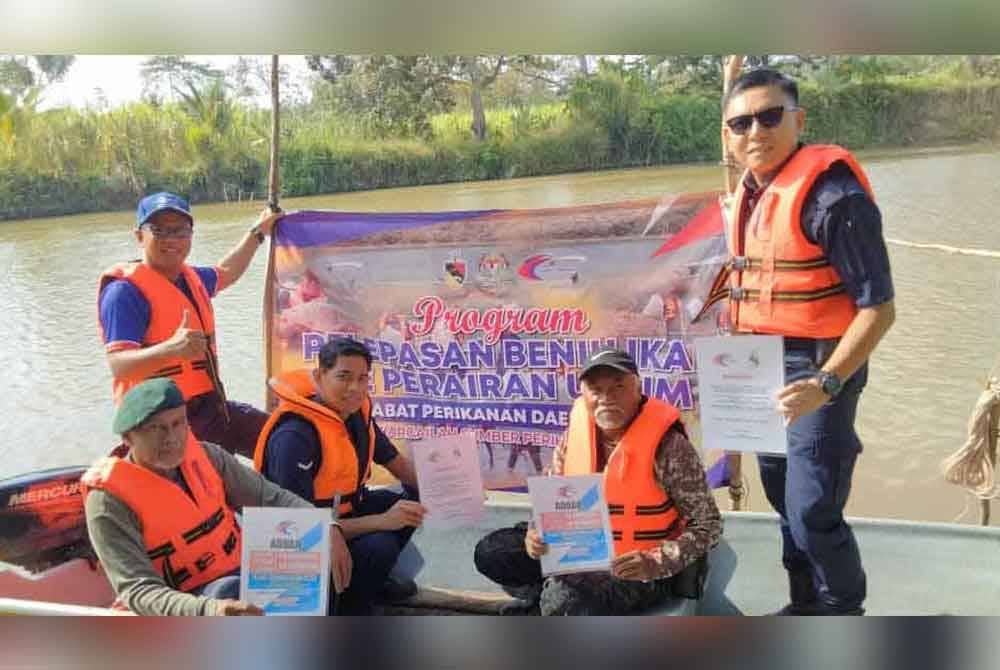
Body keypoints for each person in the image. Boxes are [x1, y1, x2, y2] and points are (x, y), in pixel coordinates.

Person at [718, 68, 896, 615]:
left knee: (811, 508)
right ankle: (804, 607)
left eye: (771, 116)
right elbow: (731, 149)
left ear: (800, 120)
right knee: (780, 498)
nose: (756, 131)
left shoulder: (834, 198)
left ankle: (842, 613)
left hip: (818, 364)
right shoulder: (752, 184)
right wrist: (726, 84)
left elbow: (880, 310)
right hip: (758, 362)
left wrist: (826, 382)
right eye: (741, 122)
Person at [473, 348, 722, 615]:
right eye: (596, 389)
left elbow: (708, 525)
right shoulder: (575, 435)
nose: (606, 398)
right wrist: (536, 533)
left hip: (636, 568)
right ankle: (547, 595)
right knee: (493, 552)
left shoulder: (671, 448)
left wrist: (656, 562)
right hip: (575, 553)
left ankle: (557, 600)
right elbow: (550, 496)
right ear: (583, 394)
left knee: (564, 602)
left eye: (618, 387)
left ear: (638, 390)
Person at [82, 378, 353, 616]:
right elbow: (140, 592)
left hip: (238, 581)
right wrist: (211, 610)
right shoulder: (107, 501)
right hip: (183, 608)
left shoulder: (209, 457)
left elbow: (271, 497)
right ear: (128, 438)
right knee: (230, 591)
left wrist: (327, 525)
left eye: (179, 423)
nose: (172, 438)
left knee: (318, 574)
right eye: (156, 429)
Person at [98, 192, 280, 457]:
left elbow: (226, 273)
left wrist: (258, 232)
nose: (171, 240)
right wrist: (170, 349)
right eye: (159, 231)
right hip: (161, 423)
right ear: (139, 236)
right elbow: (118, 365)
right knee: (210, 486)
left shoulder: (190, 278)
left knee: (281, 437)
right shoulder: (124, 293)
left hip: (209, 410)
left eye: (180, 231)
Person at [254, 337, 427, 615]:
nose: (354, 388)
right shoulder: (294, 435)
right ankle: (351, 606)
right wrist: (382, 521)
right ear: (319, 376)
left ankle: (369, 581)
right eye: (343, 377)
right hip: (295, 536)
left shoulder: (355, 413)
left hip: (345, 512)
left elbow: (393, 460)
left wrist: (446, 488)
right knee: (380, 546)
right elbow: (295, 525)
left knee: (418, 497)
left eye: (362, 378)